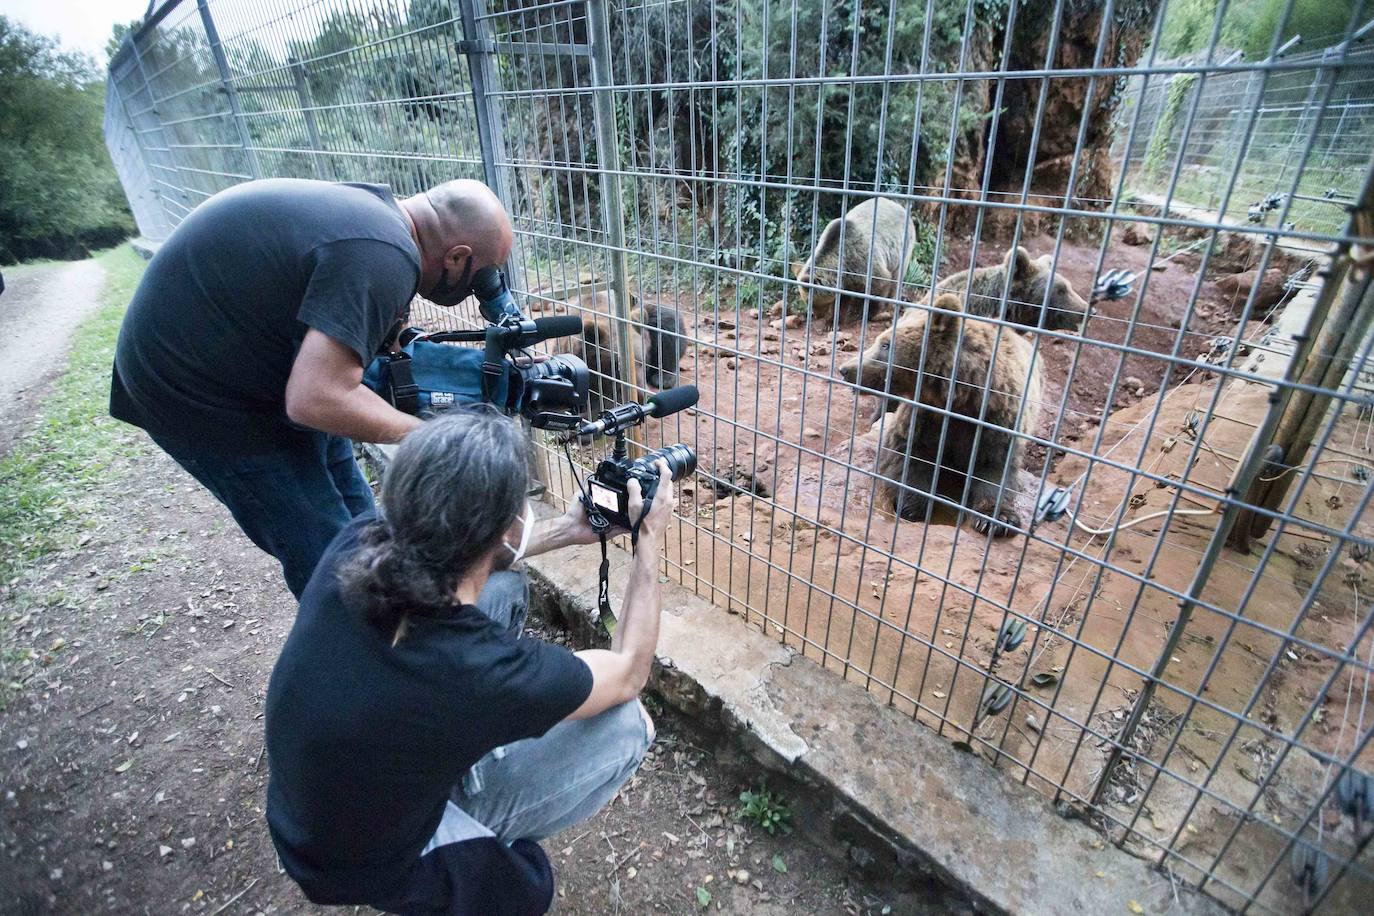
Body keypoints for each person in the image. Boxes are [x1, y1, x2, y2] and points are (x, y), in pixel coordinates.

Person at [264, 406, 673, 914]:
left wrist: (568, 530)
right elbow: (630, 671)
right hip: (356, 862)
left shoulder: (359, 540)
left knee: (502, 585)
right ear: (505, 527)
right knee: (620, 733)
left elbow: (485, 556)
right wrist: (650, 538)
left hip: (307, 806)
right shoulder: (478, 669)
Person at [109, 177, 515, 597]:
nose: (479, 290)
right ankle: (355, 644)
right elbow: (317, 399)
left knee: (362, 529)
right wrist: (433, 438)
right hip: (198, 394)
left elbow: (361, 342)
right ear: (456, 257)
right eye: (479, 278)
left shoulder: (380, 217)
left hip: (255, 367)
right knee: (329, 558)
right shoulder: (384, 254)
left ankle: (385, 626)